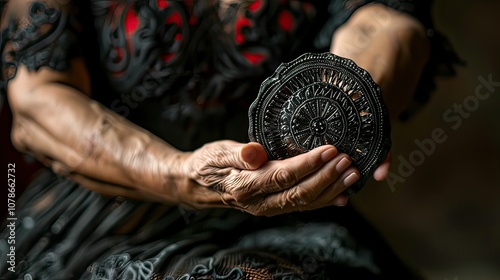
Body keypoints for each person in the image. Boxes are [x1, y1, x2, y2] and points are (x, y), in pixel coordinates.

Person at [0, 0, 459, 279]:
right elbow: (37, 98)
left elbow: (386, 24)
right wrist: (182, 175)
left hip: (279, 208)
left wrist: (340, 100)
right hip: (99, 219)